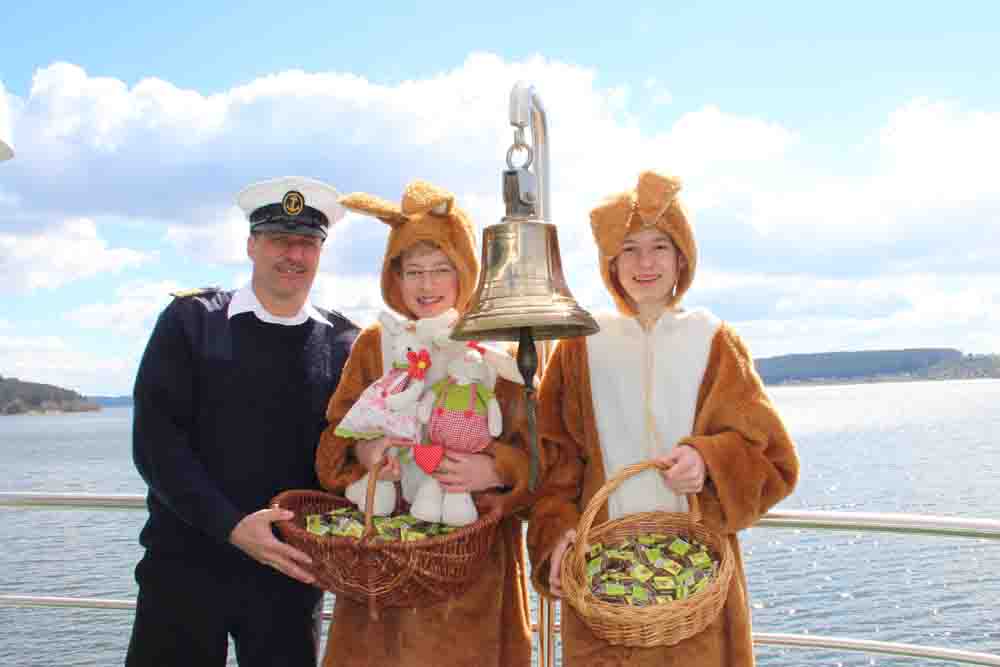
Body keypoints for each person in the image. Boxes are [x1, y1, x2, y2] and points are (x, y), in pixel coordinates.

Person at [527, 170, 800, 666]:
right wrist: (557, 532)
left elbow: (773, 461)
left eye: (660, 246)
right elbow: (553, 464)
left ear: (682, 258)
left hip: (699, 586)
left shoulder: (716, 342)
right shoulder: (578, 347)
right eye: (629, 248)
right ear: (611, 262)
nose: (645, 262)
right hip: (603, 589)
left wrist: (710, 460)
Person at [126, 176, 360, 666]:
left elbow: (351, 454)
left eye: (307, 243)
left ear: (320, 251)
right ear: (252, 245)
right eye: (279, 239)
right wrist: (232, 526)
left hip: (288, 575)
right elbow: (156, 444)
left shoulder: (344, 344)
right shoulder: (191, 321)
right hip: (185, 566)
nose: (293, 255)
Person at [315, 179, 534, 667]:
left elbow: (542, 453)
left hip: (473, 572)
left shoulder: (499, 347)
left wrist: (498, 469)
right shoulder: (376, 342)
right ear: (395, 277)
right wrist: (365, 454)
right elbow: (334, 439)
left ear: (466, 273)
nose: (427, 285)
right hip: (382, 571)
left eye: (441, 270)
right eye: (413, 271)